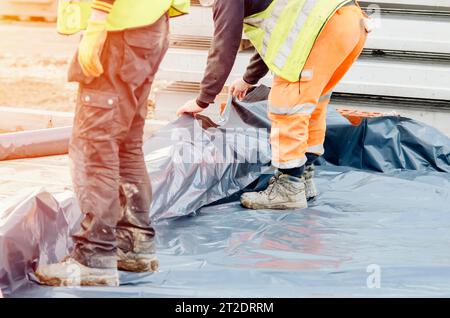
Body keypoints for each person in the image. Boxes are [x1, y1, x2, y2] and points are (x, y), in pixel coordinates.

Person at [36, 0, 190, 287]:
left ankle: (94, 255)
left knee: (95, 143)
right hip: (149, 25)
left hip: (120, 28)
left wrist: (97, 20)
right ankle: (133, 242)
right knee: (126, 142)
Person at [177, 0, 370, 210]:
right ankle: (302, 179)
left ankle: (288, 188)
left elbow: (225, 44)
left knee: (287, 104)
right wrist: (249, 79)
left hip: (321, 28)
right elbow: (279, 38)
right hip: (348, 21)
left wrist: (203, 100)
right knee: (311, 104)